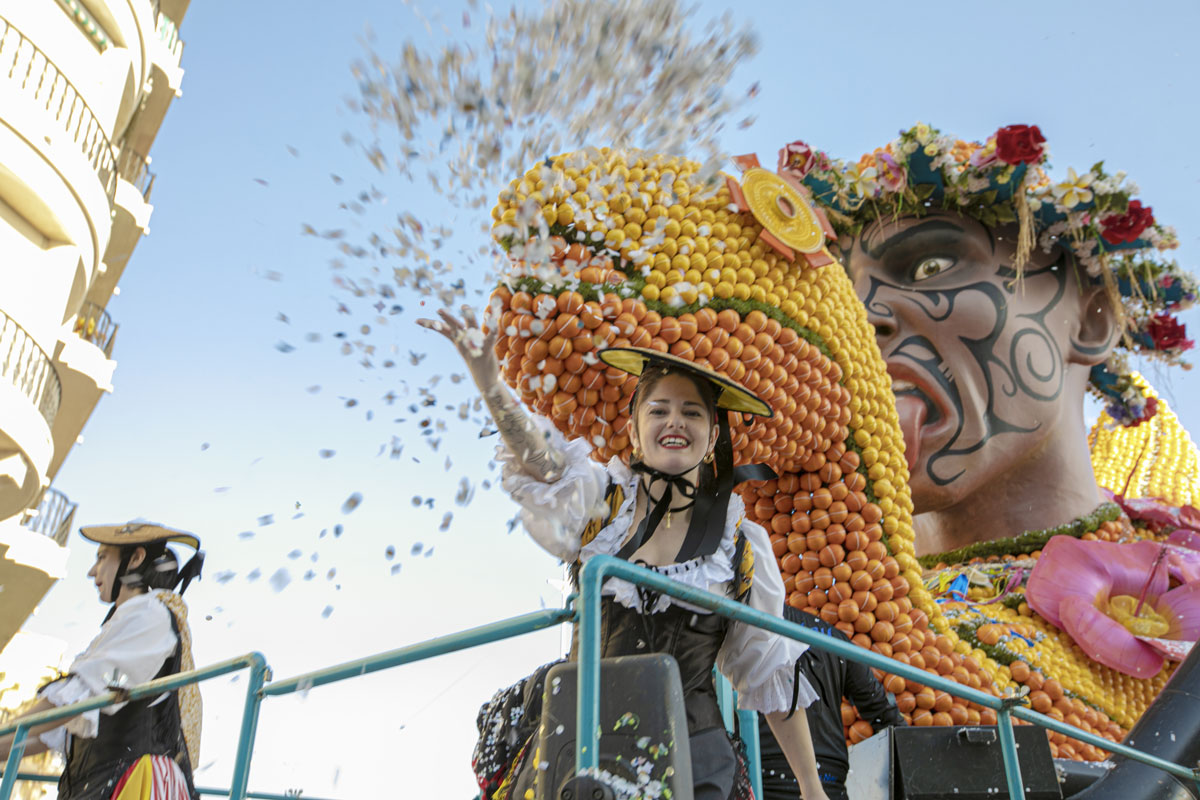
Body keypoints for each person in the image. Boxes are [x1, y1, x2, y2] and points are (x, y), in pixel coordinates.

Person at [421, 306, 830, 800]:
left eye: (692, 412)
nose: (674, 422)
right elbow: (540, 462)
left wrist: (812, 791)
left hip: (690, 761)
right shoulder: (601, 505)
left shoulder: (742, 548)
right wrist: (487, 379)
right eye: (658, 410)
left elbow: (769, 674)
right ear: (635, 431)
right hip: (576, 748)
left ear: (713, 435)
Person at [0, 522, 205, 800]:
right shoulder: (131, 622)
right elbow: (67, 720)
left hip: (133, 783)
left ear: (136, 558)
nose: (91, 571)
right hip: (101, 782)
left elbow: (76, 697)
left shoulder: (149, 614)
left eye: (101, 557)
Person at [757, 607, 905, 800]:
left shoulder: (745, 630)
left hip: (764, 778)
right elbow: (882, 712)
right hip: (829, 781)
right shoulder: (833, 638)